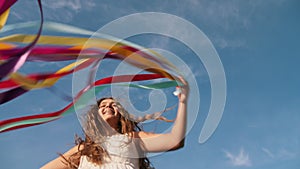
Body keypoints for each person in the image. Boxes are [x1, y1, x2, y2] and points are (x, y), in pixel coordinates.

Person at [40, 77, 189, 169]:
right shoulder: (84, 149)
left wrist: (183, 101)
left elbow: (175, 141)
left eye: (113, 104)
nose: (107, 107)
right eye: (102, 106)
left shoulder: (133, 139)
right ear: (95, 117)